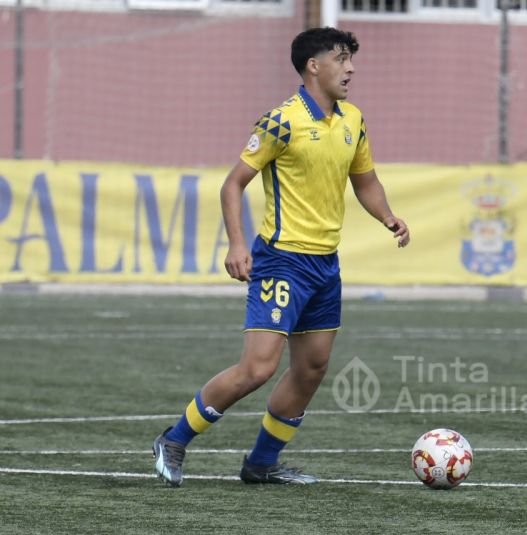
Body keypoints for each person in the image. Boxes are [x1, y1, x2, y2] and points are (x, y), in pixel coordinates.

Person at [153, 27, 410, 487]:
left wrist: (388, 216)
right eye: (341, 59)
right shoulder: (281, 121)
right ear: (314, 65)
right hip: (282, 261)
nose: (351, 69)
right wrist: (236, 244)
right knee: (258, 368)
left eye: (350, 60)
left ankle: (261, 463)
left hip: (325, 264)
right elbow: (233, 184)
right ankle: (173, 441)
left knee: (311, 368)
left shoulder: (353, 120)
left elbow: (365, 181)